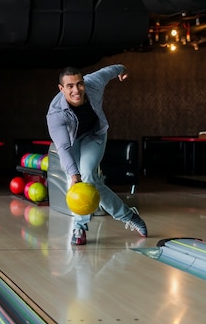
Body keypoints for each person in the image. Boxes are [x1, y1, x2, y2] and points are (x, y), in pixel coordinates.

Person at [46, 65, 147, 245]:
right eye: (70, 86)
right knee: (79, 181)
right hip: (71, 142)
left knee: (88, 177)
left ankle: (122, 217)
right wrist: (73, 175)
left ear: (84, 82)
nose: (76, 90)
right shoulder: (55, 114)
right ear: (61, 89)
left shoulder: (93, 83)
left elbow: (111, 70)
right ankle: (118, 217)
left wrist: (122, 70)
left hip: (94, 136)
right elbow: (63, 147)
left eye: (79, 84)